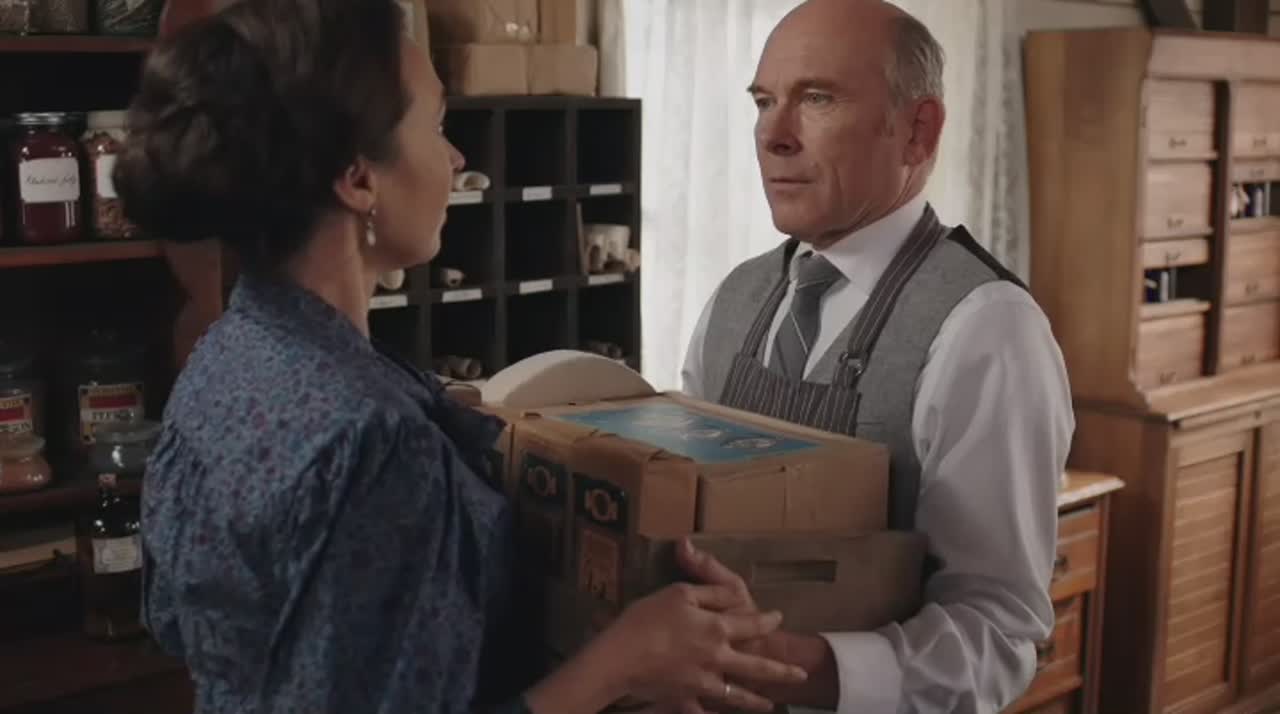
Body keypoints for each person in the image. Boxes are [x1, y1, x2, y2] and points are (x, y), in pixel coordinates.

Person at [115, 1, 808, 713]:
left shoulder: (230, 352)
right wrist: (624, 662)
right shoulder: (375, 444)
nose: (456, 160)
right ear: (359, 178)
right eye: (438, 127)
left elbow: (182, 617)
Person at [680, 1, 1075, 712]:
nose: (773, 135)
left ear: (918, 132)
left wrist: (794, 667)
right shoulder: (732, 300)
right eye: (764, 102)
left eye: (817, 99)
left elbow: (997, 636)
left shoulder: (988, 331)